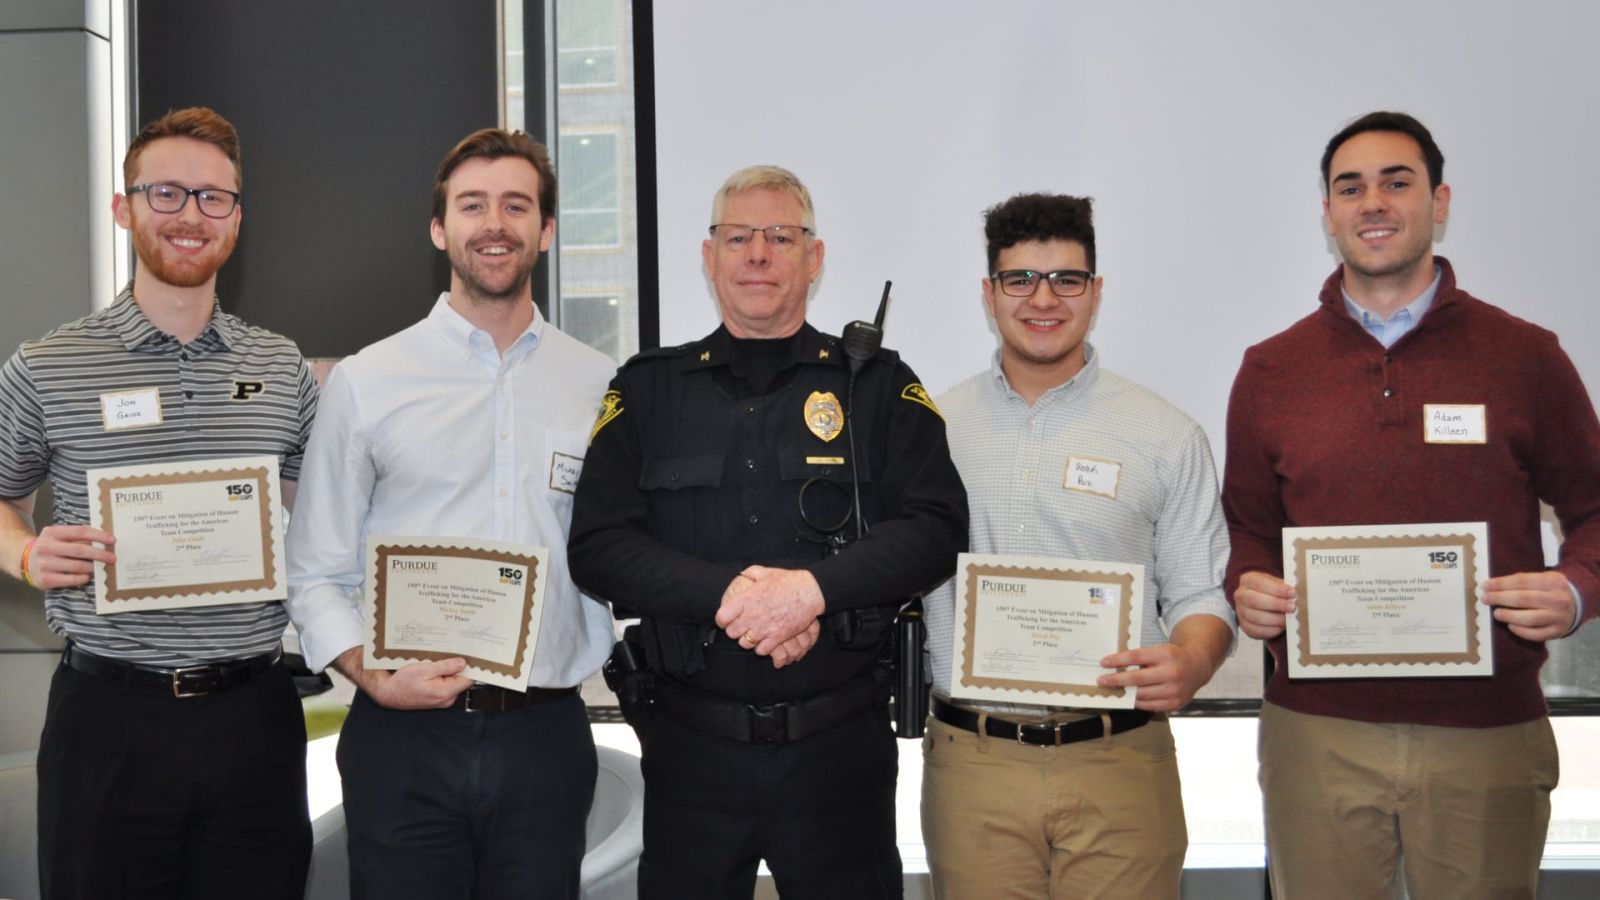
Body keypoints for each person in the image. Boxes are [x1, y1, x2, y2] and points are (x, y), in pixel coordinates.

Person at [1223, 111, 1600, 899]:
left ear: (1440, 201)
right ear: (1327, 213)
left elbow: (1596, 511)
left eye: (1398, 182)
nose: (1374, 203)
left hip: (1489, 733)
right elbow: (1251, 531)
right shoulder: (1270, 369)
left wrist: (1574, 591)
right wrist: (1248, 586)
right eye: (1350, 187)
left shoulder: (1527, 356)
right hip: (1317, 732)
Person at [568, 164, 967, 899]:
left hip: (839, 753)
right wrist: (733, 596)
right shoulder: (646, 389)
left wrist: (811, 592)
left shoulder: (877, 386)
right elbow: (597, 545)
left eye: (781, 236)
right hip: (690, 752)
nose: (758, 253)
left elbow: (938, 526)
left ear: (813, 259)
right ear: (709, 256)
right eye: (738, 236)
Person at [284, 128, 615, 899]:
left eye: (515, 205)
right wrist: (374, 676)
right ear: (441, 230)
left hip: (546, 734)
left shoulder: (599, 385)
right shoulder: (369, 381)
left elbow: (617, 553)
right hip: (402, 734)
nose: (493, 223)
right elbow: (314, 571)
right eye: (472, 205)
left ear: (547, 230)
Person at [0, 107, 317, 900]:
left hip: (255, 715)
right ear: (124, 208)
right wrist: (27, 553)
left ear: (237, 220)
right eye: (166, 193)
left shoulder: (281, 369)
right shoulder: (47, 365)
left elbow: (318, 525)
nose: (189, 216)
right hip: (109, 716)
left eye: (214, 198)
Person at [919, 192, 1235, 899]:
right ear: (989, 293)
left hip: (1120, 761)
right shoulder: (931, 430)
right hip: (975, 765)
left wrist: (1193, 657)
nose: (1043, 298)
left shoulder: (1165, 434)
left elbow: (1200, 592)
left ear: (1095, 292)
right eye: (1019, 279)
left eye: (1066, 278)